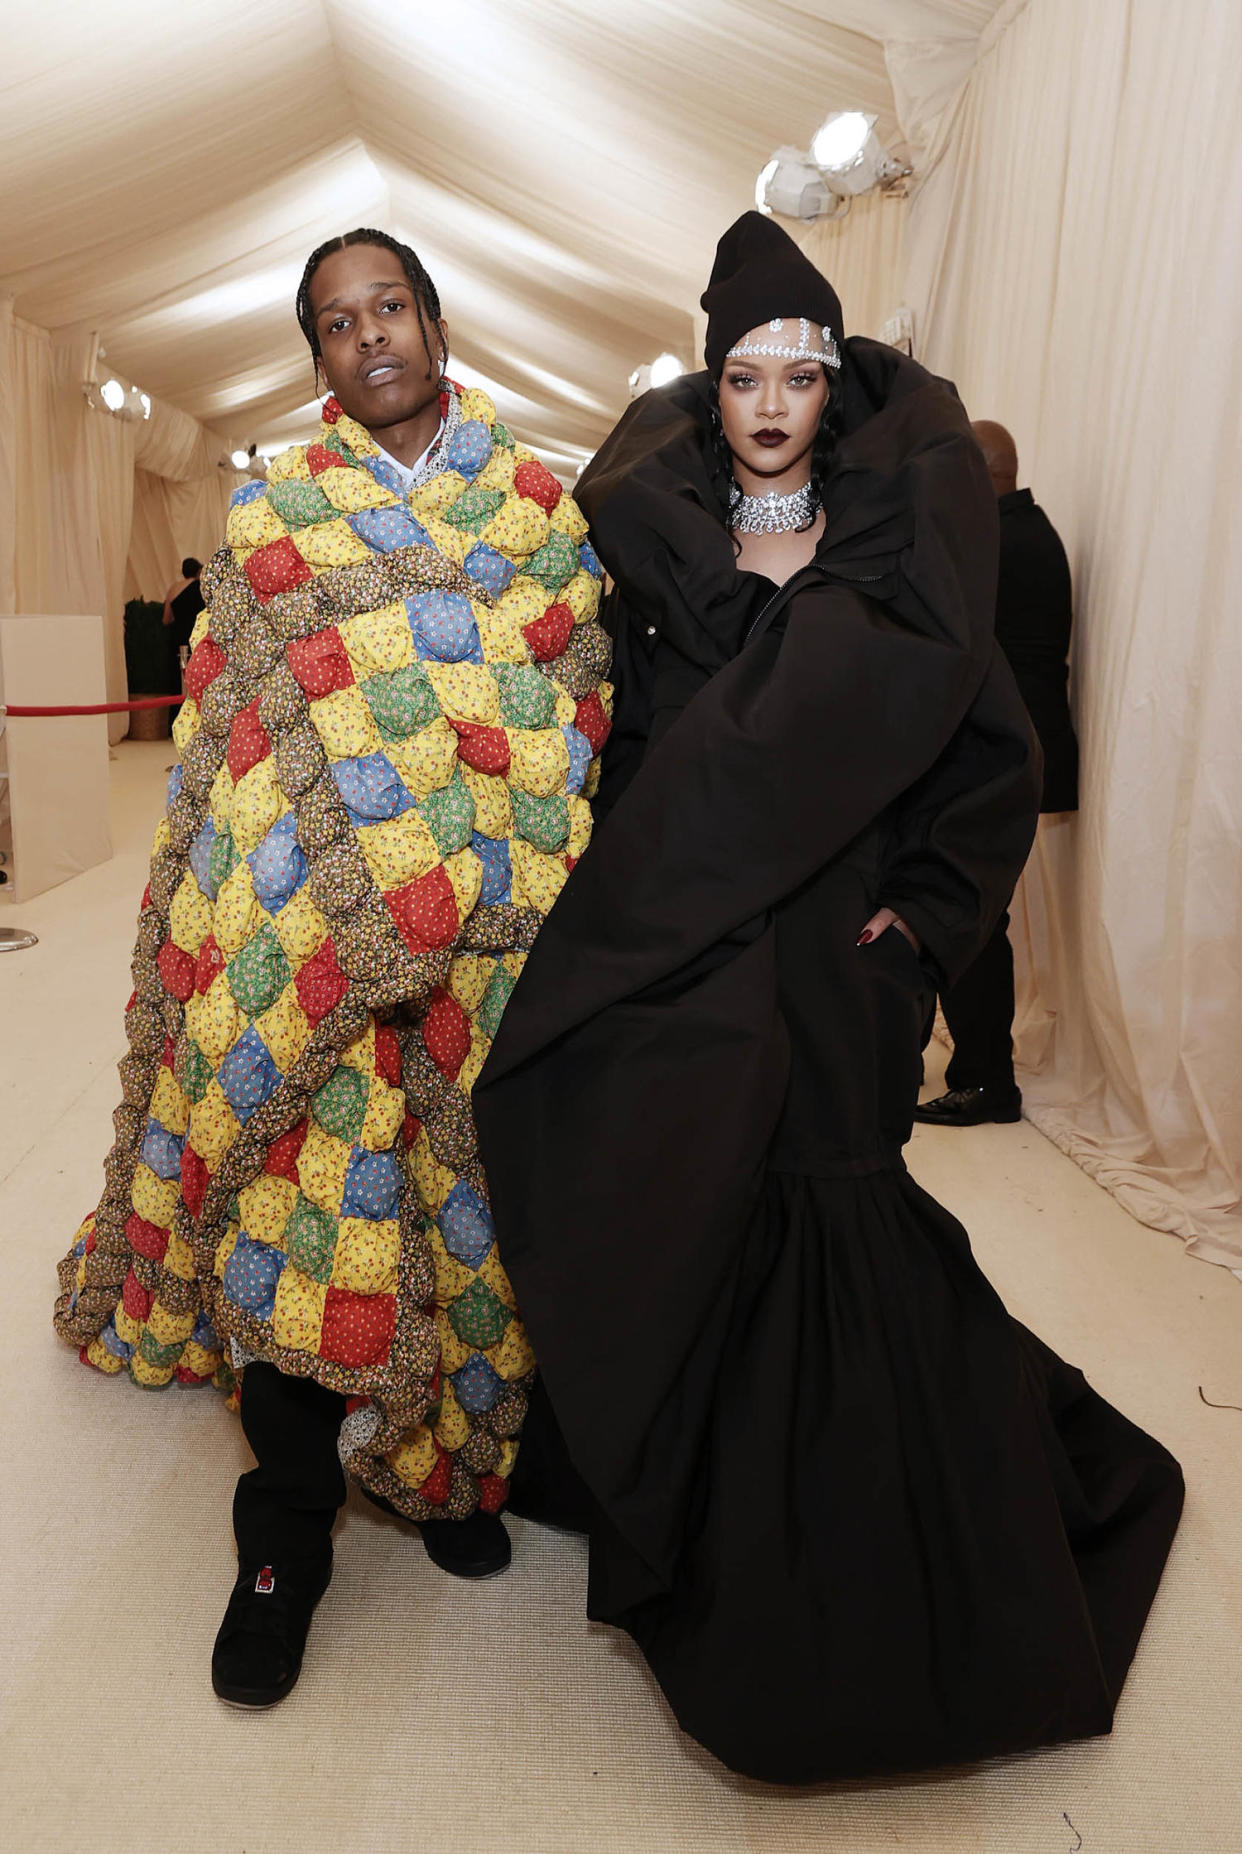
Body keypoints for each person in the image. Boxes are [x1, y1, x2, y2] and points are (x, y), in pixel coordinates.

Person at [473, 212, 1183, 1784]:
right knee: (684, 1200)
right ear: (711, 389)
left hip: (840, 966)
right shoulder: (647, 555)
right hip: (697, 945)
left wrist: (920, 925)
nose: (776, 398)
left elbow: (987, 762)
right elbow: (626, 756)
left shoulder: (906, 553)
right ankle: (712, 1531)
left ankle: (893, 1572)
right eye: (745, 373)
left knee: (839, 1221)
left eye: (801, 369)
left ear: (834, 383)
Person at [55, 228, 609, 1708]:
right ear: (315, 357)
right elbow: (232, 740)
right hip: (315, 941)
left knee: (471, 1217)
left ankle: (452, 1475)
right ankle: (285, 1540)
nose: (369, 338)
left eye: (389, 309)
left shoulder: (537, 504)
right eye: (335, 323)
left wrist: (479, 874)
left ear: (434, 320)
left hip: (495, 944)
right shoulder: (276, 513)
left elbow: (564, 702)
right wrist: (315, 917)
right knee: (308, 1223)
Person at [916, 418, 1079, 1127]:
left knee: (974, 920)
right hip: (1021, 753)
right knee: (976, 915)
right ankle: (980, 1074)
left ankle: (987, 1083)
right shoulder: (1030, 530)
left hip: (1003, 758)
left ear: (980, 473)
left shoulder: (1000, 544)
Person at [162, 556, 205, 688]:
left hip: (177, 637)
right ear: (198, 571)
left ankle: (177, 706)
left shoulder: (173, 589)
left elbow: (166, 619)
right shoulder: (201, 588)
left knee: (178, 677)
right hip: (197, 637)